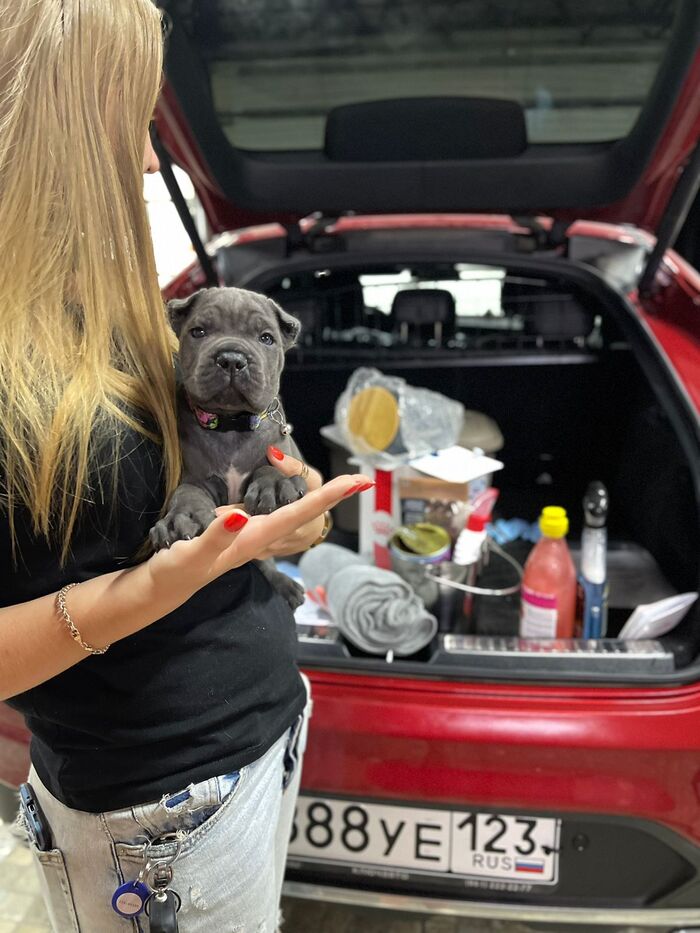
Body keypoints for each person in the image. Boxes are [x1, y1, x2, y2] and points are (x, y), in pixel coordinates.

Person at [0, 1, 372, 929]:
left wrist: (284, 512)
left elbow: (242, 470)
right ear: (61, 127)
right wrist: (160, 581)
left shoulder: (113, 301)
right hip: (153, 809)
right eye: (135, 119)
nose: (149, 160)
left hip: (254, 740)